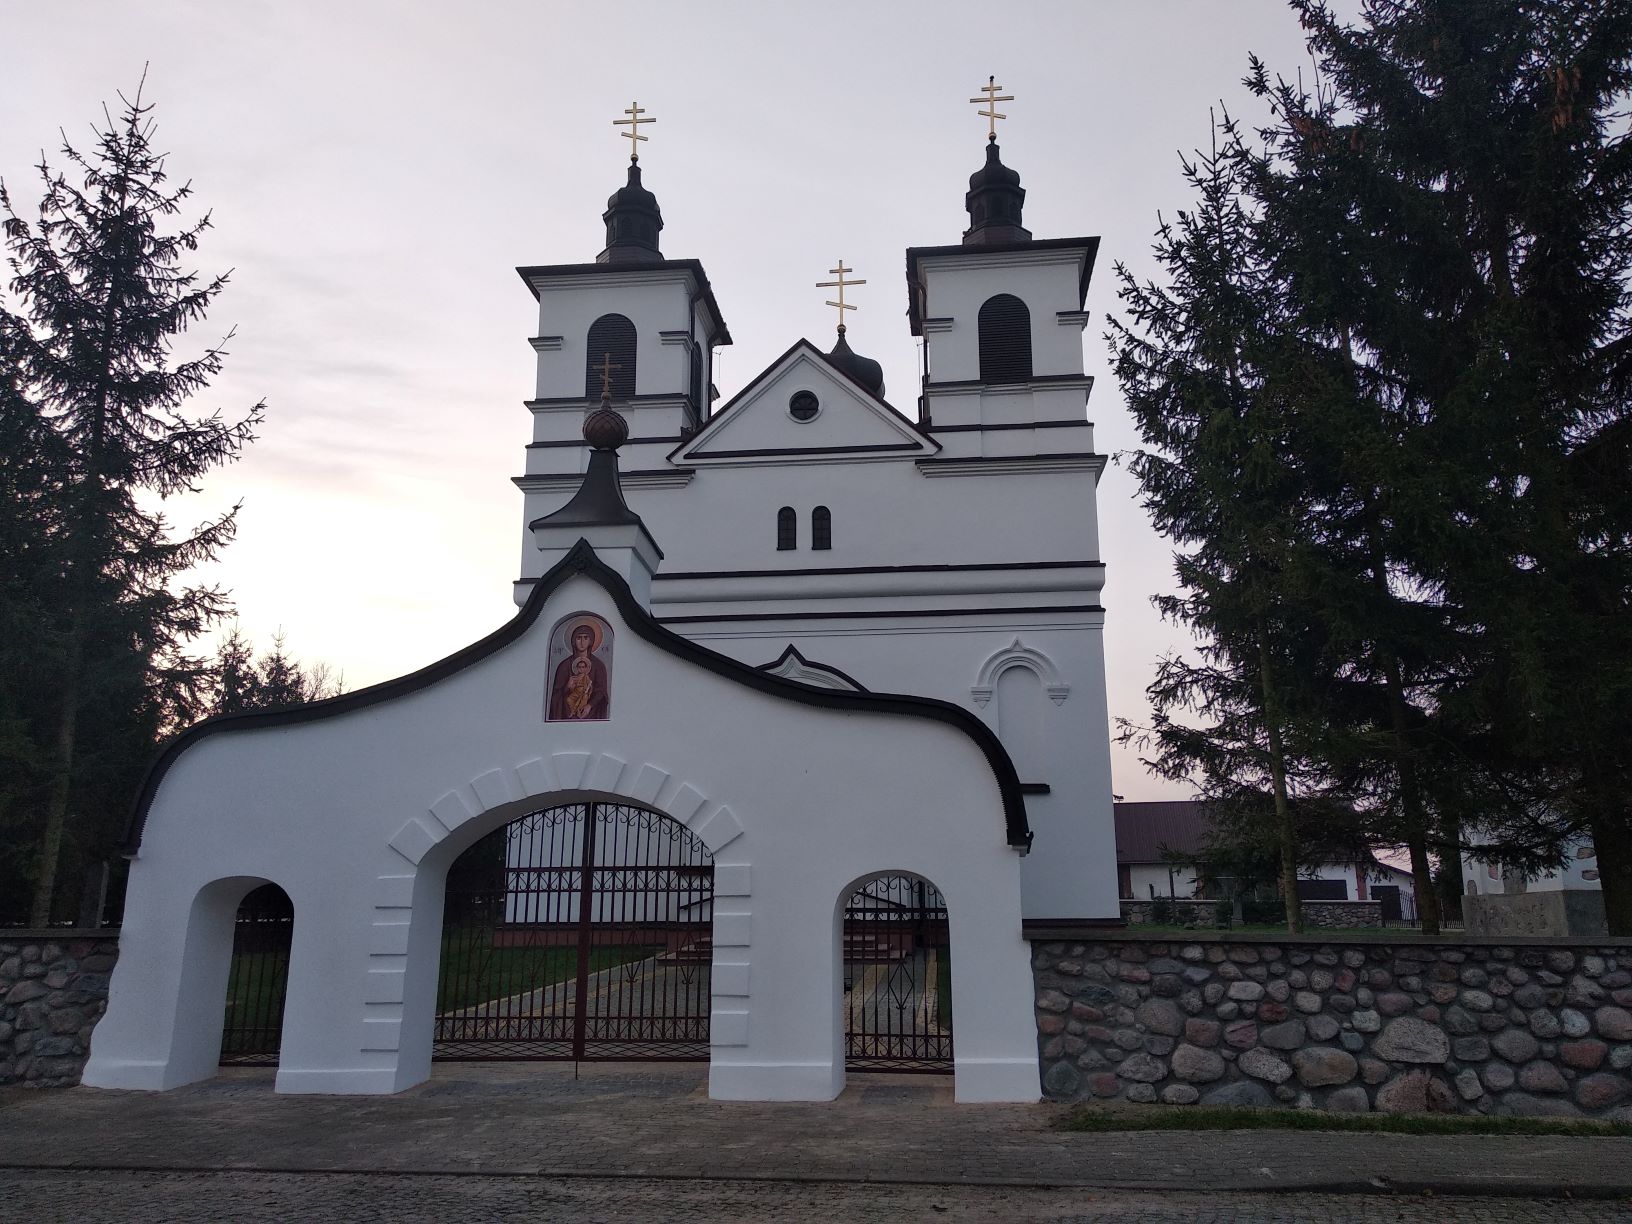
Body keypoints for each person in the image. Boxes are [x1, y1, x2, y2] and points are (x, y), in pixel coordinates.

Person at [548, 621, 609, 719]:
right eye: (578, 638)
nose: (582, 642)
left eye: (586, 638)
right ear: (573, 641)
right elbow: (556, 695)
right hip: (567, 714)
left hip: (590, 713)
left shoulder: (598, 666)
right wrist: (567, 687)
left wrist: (589, 705)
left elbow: (601, 692)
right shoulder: (564, 666)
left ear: (591, 641)